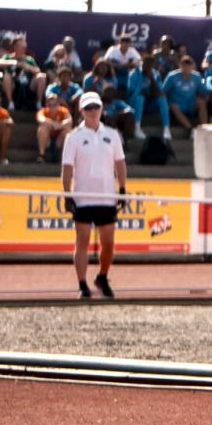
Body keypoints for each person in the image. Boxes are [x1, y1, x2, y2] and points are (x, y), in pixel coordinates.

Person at [60, 91, 125, 298]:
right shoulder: (74, 137)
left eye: (96, 107)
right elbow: (67, 167)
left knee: (108, 243)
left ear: (101, 109)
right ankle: (82, 284)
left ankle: (102, 276)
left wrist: (122, 189)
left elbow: (120, 163)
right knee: (83, 240)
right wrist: (67, 194)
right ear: (81, 111)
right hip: (83, 197)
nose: (93, 111)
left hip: (106, 197)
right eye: (88, 108)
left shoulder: (112, 135)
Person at [35, 91, 73, 161]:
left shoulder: (64, 111)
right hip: (47, 141)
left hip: (59, 141)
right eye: (50, 105)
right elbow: (40, 119)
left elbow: (70, 121)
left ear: (58, 104)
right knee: (42, 128)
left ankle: (63, 155)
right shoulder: (42, 111)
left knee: (68, 130)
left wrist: (59, 126)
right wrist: (54, 124)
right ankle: (41, 155)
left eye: (54, 104)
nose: (52, 107)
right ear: (46, 105)